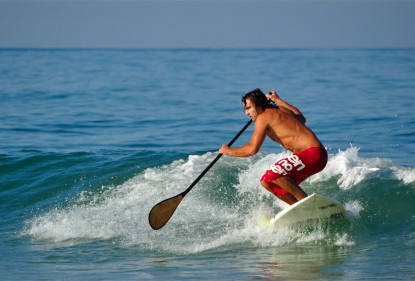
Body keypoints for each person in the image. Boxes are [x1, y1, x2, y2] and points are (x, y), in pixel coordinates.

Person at [219, 88, 327, 205]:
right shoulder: (280, 110)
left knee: (273, 175)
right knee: (267, 182)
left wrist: (228, 151)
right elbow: (300, 117)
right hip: (317, 157)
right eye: (245, 109)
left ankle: (310, 205)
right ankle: (298, 207)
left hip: (311, 153)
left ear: (258, 105)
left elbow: (252, 149)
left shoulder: (263, 117)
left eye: (248, 108)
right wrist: (278, 100)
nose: (246, 113)